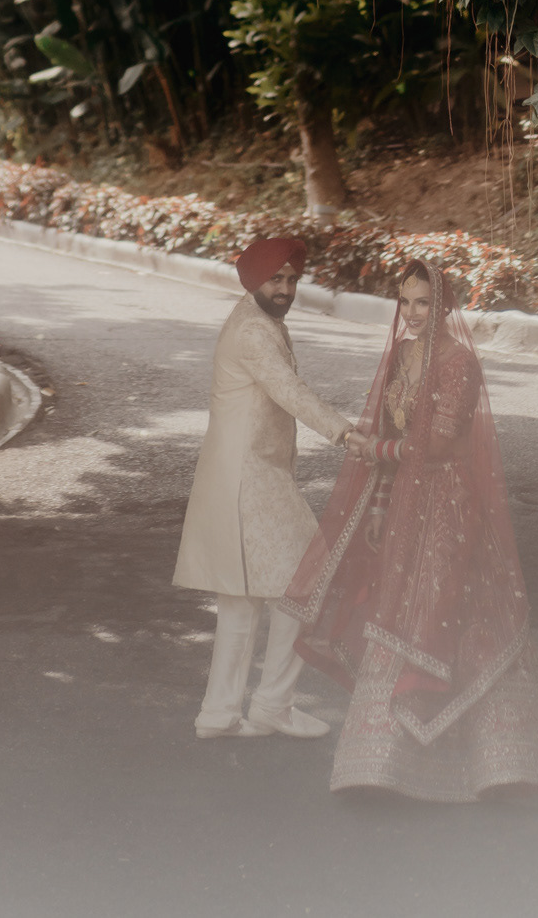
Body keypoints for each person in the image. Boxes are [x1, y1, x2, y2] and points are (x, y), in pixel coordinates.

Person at [281, 258, 538, 801]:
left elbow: (441, 443)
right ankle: (381, 765)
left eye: (424, 302)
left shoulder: (458, 362)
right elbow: (393, 432)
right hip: (404, 503)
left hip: (448, 504)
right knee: (398, 608)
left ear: (444, 306)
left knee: (457, 609)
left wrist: (376, 449)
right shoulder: (401, 355)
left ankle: (503, 760)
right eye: (405, 302)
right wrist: (379, 506)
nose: (413, 312)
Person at [173, 234, 372, 741]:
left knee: (248, 598)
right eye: (275, 279)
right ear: (251, 279)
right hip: (248, 478)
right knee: (304, 580)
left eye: (292, 279)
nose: (285, 289)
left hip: (247, 473)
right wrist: (344, 432)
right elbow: (288, 391)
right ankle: (270, 706)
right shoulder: (254, 331)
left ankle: (221, 714)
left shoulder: (260, 320)